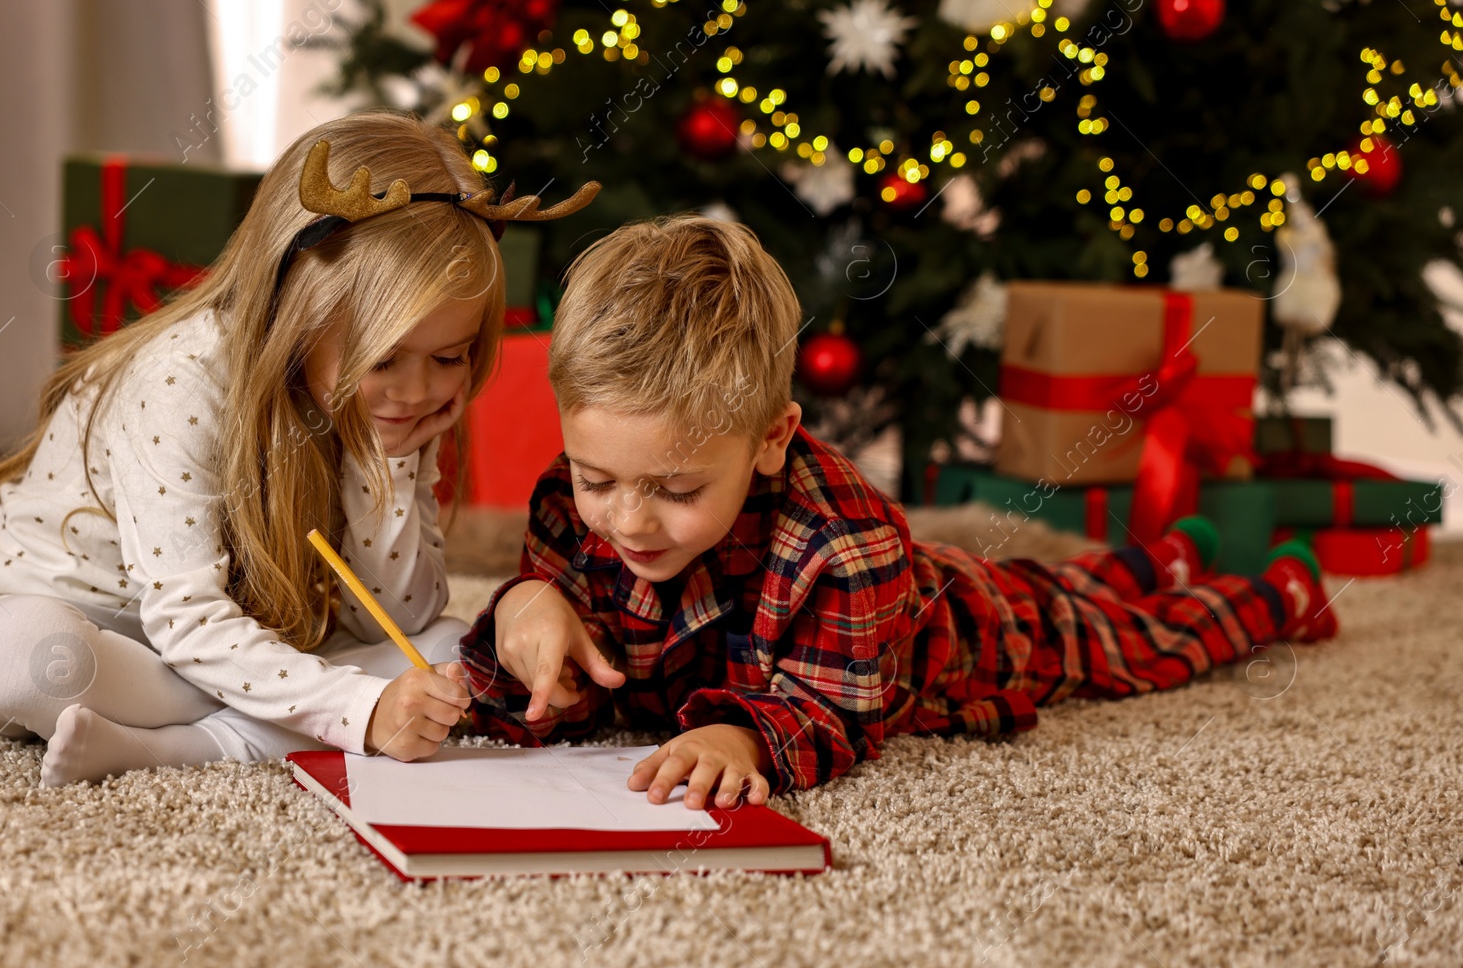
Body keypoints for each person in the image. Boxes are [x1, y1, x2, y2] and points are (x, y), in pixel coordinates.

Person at [457, 214, 1339, 811]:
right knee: (1078, 581)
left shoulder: (843, 543)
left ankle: (1271, 593)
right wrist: (525, 612)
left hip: (970, 633)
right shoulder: (575, 507)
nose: (628, 521)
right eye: (596, 476)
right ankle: (1157, 558)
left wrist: (743, 736)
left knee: (1120, 638)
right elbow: (558, 667)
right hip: (939, 597)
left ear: (772, 437)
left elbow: (836, 711)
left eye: (679, 490)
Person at [0, 109, 598, 786]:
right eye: (384, 358)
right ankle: (237, 724)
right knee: (9, 657)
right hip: (101, 631)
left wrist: (391, 465)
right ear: (298, 309)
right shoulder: (180, 380)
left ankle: (177, 742)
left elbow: (398, 617)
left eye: (450, 356)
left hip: (242, 643)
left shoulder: (399, 408)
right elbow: (188, 619)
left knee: (444, 650)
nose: (418, 388)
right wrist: (358, 709)